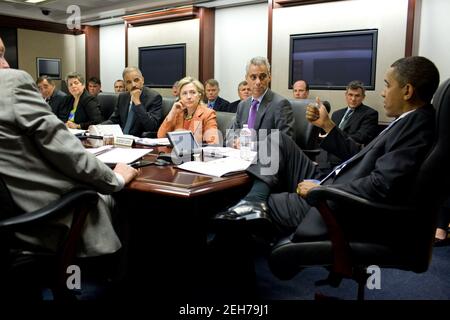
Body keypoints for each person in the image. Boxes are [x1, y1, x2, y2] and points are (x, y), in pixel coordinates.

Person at [215, 56, 439, 238]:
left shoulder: (417, 126)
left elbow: (381, 185)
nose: (382, 92)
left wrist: (323, 190)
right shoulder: (407, 121)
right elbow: (361, 156)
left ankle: (247, 216)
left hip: (335, 201)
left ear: (407, 91)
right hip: (330, 177)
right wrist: (327, 125)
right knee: (277, 139)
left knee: (241, 204)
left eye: (387, 85)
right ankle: (254, 201)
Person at [0, 37, 138, 257]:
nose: (6, 64)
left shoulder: (84, 100)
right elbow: (66, 152)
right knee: (123, 198)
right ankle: (115, 275)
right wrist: (117, 178)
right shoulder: (9, 83)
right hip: (41, 221)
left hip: (9, 218)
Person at [226, 56, 295, 146]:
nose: (258, 82)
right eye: (253, 77)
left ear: (269, 77)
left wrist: (251, 145)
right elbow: (232, 134)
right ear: (246, 78)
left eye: (262, 77)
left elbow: (286, 142)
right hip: (241, 155)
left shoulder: (280, 104)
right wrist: (235, 141)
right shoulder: (242, 105)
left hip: (266, 158)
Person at [316, 80, 378, 176]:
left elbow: (360, 138)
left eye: (357, 96)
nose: (353, 99)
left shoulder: (370, 114)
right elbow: (326, 135)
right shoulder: (337, 114)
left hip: (346, 159)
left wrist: (334, 137)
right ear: (346, 95)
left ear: (363, 97)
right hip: (325, 158)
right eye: (350, 95)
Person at [157, 76, 219, 145]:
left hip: (196, 154)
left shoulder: (208, 114)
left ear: (199, 95)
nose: (188, 97)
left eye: (193, 92)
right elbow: (161, 136)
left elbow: (213, 143)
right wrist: (172, 113)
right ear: (180, 97)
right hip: (174, 153)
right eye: (184, 93)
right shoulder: (178, 112)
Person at [103, 66, 162, 137]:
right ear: (125, 85)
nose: (133, 85)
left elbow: (152, 127)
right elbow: (114, 120)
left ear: (142, 80)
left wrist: (137, 103)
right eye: (129, 82)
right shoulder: (123, 97)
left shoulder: (154, 97)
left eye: (136, 80)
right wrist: (96, 128)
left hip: (138, 142)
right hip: (120, 139)